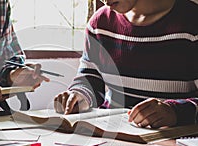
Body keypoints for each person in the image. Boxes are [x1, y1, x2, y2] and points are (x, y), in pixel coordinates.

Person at [54, 0, 198, 128]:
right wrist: (79, 96)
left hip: (170, 144)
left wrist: (174, 112)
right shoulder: (100, 23)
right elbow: (90, 78)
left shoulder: (191, 21)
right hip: (110, 137)